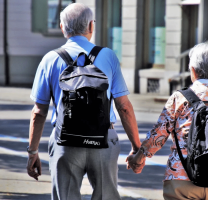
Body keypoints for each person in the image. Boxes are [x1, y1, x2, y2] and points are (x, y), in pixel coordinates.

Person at [26, 3, 142, 200]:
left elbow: (39, 112)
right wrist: (137, 148)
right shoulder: (108, 56)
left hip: (65, 142)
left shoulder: (49, 59)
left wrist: (32, 152)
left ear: (62, 28)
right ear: (91, 26)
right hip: (104, 140)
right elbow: (124, 107)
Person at [127, 43, 208, 200]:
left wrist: (139, 157)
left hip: (182, 181)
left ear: (193, 71)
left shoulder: (179, 98)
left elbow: (158, 135)